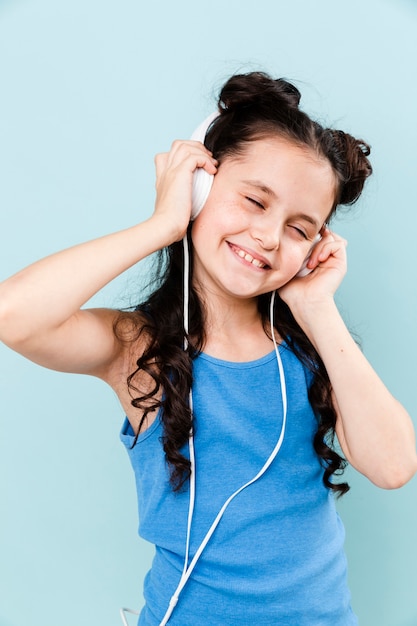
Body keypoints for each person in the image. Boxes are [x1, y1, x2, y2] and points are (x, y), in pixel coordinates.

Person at [0, 71, 416, 626]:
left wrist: (317, 309)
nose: (269, 236)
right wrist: (163, 223)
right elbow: (14, 316)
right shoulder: (136, 348)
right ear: (200, 185)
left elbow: (392, 466)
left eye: (300, 229)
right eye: (253, 200)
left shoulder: (314, 349)